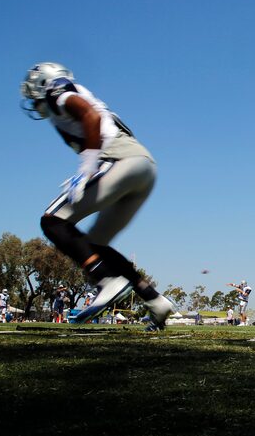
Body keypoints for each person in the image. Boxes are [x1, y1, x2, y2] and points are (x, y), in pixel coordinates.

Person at [19, 62, 174, 330]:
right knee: (96, 244)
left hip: (119, 159)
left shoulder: (58, 91)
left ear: (43, 83)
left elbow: (88, 114)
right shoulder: (67, 97)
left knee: (53, 221)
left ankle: (104, 279)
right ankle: (155, 300)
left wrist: (87, 166)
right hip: (144, 167)